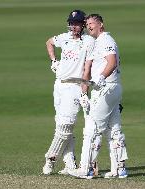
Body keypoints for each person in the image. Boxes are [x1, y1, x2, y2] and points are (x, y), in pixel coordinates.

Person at [69, 14, 128, 179]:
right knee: (113, 129)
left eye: (91, 23)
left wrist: (102, 77)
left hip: (106, 88)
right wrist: (83, 93)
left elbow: (112, 62)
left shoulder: (106, 40)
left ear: (101, 24)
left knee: (92, 129)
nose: (88, 26)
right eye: (87, 24)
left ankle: (86, 169)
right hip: (108, 89)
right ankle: (120, 169)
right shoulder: (96, 43)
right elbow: (87, 71)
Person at [42, 10, 95, 175]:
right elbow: (49, 42)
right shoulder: (63, 37)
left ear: (83, 25)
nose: (73, 26)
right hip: (59, 85)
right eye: (71, 23)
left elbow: (88, 68)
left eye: (77, 23)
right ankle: (70, 164)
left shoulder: (88, 41)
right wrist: (53, 61)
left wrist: (84, 91)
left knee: (66, 126)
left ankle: (50, 158)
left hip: (75, 86)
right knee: (62, 126)